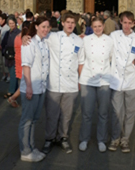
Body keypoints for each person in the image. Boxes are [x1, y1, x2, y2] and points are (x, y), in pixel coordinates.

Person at [42, 13, 83, 155]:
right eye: (68, 22)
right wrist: (24, 36)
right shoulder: (52, 37)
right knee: (51, 114)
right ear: (63, 23)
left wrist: (80, 80)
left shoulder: (78, 41)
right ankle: (49, 138)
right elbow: (38, 36)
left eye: (73, 22)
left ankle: (63, 137)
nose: (70, 25)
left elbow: (81, 62)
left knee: (67, 114)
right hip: (54, 82)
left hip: (71, 84)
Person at [79, 16, 113, 152]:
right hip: (88, 79)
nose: (97, 29)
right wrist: (80, 80)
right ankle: (84, 139)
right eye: (95, 26)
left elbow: (112, 59)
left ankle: (101, 139)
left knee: (103, 112)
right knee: (87, 112)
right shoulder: (85, 40)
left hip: (104, 80)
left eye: (100, 26)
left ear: (103, 26)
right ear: (91, 28)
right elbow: (81, 60)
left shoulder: (110, 41)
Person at [18, 16, 50, 162]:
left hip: (41, 87)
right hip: (31, 87)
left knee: (35, 119)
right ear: (36, 26)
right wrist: (29, 86)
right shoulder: (29, 42)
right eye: (43, 26)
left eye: (47, 27)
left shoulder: (44, 42)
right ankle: (25, 151)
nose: (45, 29)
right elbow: (26, 66)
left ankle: (31, 147)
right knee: (27, 120)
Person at [108, 11, 135, 153]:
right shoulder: (113, 36)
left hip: (132, 80)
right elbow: (99, 43)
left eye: (129, 23)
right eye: (124, 22)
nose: (127, 25)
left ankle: (125, 139)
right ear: (120, 22)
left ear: (133, 23)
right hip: (116, 80)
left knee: (130, 112)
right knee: (116, 112)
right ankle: (115, 138)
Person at [7, 21, 31, 108]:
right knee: (25, 83)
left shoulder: (17, 37)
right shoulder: (27, 38)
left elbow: (14, 49)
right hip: (24, 62)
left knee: (22, 82)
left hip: (17, 60)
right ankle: (14, 98)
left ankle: (13, 98)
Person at [2, 15, 21, 99]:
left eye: (13, 23)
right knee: (12, 73)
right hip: (8, 56)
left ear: (15, 23)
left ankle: (11, 91)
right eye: (10, 23)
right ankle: (15, 90)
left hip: (15, 56)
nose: (12, 25)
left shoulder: (18, 32)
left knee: (13, 74)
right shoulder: (7, 32)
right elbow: (3, 43)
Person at [0, 13, 10, 81]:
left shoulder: (7, 28)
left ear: (4, 20)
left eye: (0, 19)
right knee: (1, 62)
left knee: (6, 62)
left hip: (4, 48)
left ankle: (8, 75)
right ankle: (4, 74)